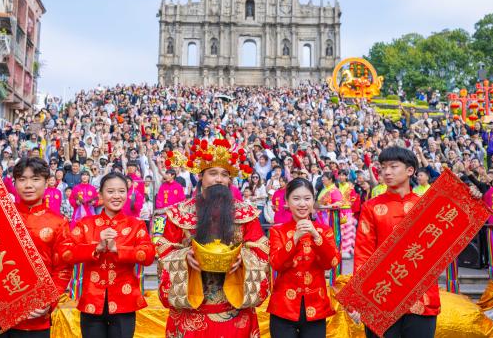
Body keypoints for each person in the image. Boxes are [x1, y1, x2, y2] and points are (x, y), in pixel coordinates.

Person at [351, 147, 472, 337]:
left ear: (410, 170)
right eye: (383, 167)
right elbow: (363, 253)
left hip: (421, 297)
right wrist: (359, 298)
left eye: (393, 166)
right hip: (382, 295)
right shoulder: (371, 208)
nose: (387, 172)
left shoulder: (428, 206)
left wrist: (472, 197)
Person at [157, 139, 269, 337]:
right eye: (213, 173)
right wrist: (184, 257)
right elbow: (164, 250)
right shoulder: (180, 213)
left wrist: (243, 259)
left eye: (224, 174)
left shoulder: (246, 213)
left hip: (234, 308)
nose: (219, 179)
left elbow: (261, 250)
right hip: (191, 308)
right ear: (201, 176)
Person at [0, 158, 72, 338]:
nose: (28, 185)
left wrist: (48, 301)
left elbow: (63, 269)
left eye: (35, 179)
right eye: (22, 179)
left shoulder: (58, 223)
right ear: (14, 183)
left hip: (34, 315)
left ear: (47, 182)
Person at [60, 172, 155, 338]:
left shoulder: (136, 225)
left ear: (127, 193)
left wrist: (117, 249)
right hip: (92, 302)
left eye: (121, 191)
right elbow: (65, 252)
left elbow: (148, 255)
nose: (116, 196)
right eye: (110, 191)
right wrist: (96, 247)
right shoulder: (86, 224)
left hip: (125, 302)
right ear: (101, 195)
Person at [268, 178, 341, 338]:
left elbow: (332, 262)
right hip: (283, 308)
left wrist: (316, 236)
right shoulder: (277, 231)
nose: (302, 204)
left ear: (313, 201)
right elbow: (276, 264)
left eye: (307, 198)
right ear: (287, 201)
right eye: (296, 198)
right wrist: (294, 239)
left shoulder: (324, 231)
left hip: (316, 306)